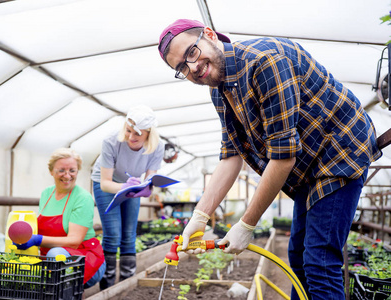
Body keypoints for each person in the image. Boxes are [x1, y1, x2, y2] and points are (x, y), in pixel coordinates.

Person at [158, 19, 382, 300]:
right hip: (309, 168)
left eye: (191, 53)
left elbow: (284, 157)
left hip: (340, 151)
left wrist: (247, 224)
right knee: (298, 258)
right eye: (181, 67)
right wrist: (199, 217)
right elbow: (230, 156)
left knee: (320, 263)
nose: (192, 68)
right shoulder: (219, 90)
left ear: (210, 35)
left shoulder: (264, 62)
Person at [91, 105, 165, 290]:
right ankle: (106, 288)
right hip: (107, 185)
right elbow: (106, 183)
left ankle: (126, 286)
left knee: (129, 234)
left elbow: (150, 179)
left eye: (137, 134)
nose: (131, 137)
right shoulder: (111, 141)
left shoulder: (157, 147)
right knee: (113, 234)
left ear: (148, 134)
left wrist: (147, 189)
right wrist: (125, 187)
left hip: (131, 184)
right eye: (128, 131)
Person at [14, 148, 105, 289]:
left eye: (72, 170)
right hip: (51, 261)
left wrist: (37, 240)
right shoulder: (47, 194)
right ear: (51, 171)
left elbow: (74, 242)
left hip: (85, 260)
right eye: (61, 170)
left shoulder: (82, 198)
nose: (67, 176)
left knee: (56, 255)